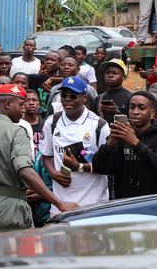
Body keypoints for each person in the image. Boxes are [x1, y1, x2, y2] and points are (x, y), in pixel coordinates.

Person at [0, 85, 78, 235]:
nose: (24, 109)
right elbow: (24, 170)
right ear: (7, 104)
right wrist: (59, 203)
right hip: (10, 214)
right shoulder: (17, 132)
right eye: (21, 104)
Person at [41, 76, 110, 215]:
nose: (67, 100)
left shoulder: (99, 125)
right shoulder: (52, 122)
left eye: (73, 96)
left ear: (84, 98)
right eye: (64, 95)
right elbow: (46, 155)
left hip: (93, 203)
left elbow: (107, 166)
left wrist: (78, 167)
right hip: (61, 204)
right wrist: (54, 173)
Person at [91, 91, 157, 198]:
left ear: (152, 113)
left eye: (141, 108)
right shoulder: (120, 135)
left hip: (152, 203)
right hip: (124, 203)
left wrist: (135, 142)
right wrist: (108, 145)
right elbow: (99, 168)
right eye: (132, 107)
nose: (135, 112)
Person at [94, 59, 132, 124]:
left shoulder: (130, 98)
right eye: (107, 72)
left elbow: (136, 124)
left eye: (115, 73)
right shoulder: (99, 98)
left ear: (124, 77)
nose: (110, 75)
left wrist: (117, 112)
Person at [24, 89, 45, 156]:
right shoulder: (18, 125)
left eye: (34, 100)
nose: (31, 103)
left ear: (39, 104)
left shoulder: (45, 124)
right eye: (27, 100)